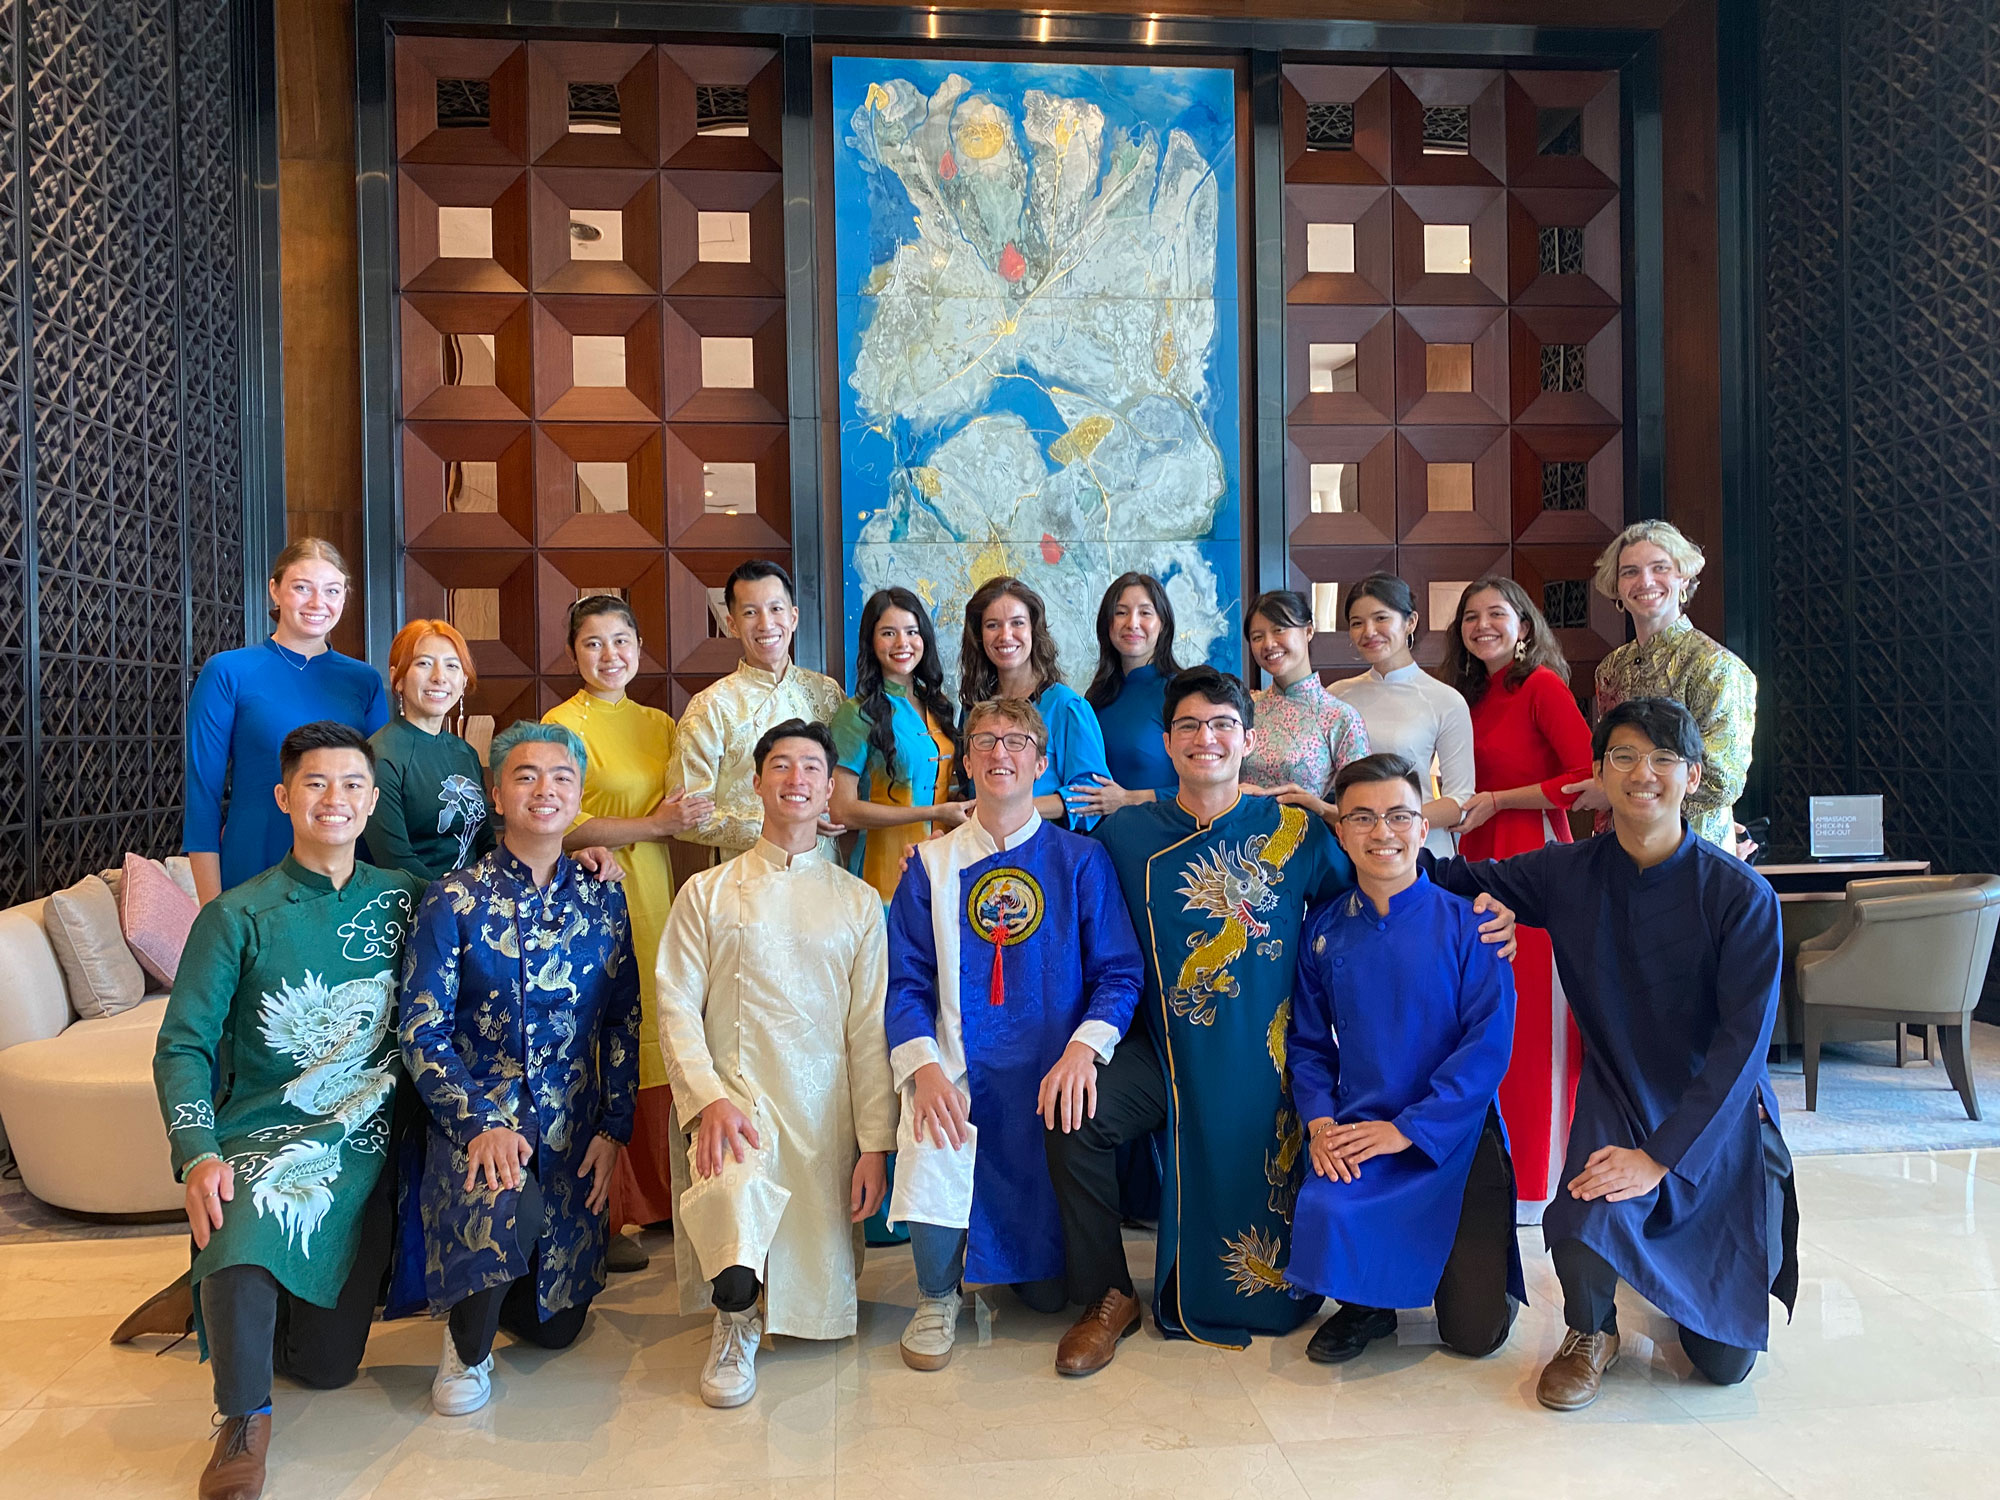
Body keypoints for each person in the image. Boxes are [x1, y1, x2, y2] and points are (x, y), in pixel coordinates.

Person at [1045, 666, 1515, 1371]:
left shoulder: (1292, 831)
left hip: (1264, 1054)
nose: (1206, 739)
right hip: (1164, 1050)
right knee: (1075, 1115)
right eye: (1189, 727)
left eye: (1222, 725)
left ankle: (1324, 1287)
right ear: (1167, 743)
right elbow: (1079, 910)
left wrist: (1475, 899)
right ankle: (1108, 1295)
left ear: (1248, 739)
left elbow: (1378, 871)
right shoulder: (1125, 834)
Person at [1428, 698, 1798, 1407]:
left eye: (1663, 759)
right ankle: (1590, 1329)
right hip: (1618, 1089)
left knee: (1723, 1365)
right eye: (1624, 756)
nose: (1643, 773)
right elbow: (1451, 882)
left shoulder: (1740, 896)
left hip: (1711, 1105)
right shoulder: (1568, 872)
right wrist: (1371, 833)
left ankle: (1683, 1287)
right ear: (1599, 772)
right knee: (1587, 1206)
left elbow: (1740, 1049)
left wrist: (1661, 1157)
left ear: (1692, 777)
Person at [153, 722, 422, 1500]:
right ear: (283, 798)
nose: (332, 799)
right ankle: (241, 1421)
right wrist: (199, 1151)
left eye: (349, 785)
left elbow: (487, 912)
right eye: (314, 784)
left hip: (370, 1131)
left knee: (332, 1370)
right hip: (268, 1127)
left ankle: (223, 1291)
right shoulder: (235, 917)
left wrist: (581, 854)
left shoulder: (404, 898)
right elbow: (184, 1045)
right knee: (250, 1205)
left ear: (371, 802)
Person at [882, 697, 1145, 1374]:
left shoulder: (1081, 860)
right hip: (961, 1065)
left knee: (1047, 1298)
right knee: (929, 1122)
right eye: (986, 742)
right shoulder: (930, 867)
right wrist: (924, 1068)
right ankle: (937, 1293)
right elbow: (905, 982)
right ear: (966, 760)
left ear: (1042, 760)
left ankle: (1032, 1262)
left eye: (1017, 742)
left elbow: (1119, 971)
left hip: (1049, 1068)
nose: (1001, 754)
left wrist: (1085, 1049)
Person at [398, 720, 640, 1417]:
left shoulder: (602, 894)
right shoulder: (454, 899)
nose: (545, 789)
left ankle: (506, 1285)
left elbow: (624, 1017)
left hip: (571, 1129)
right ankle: (464, 1349)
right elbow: (422, 1029)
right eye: (526, 776)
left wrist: (614, 1130)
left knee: (555, 1332)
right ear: (496, 795)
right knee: (502, 1200)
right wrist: (479, 1124)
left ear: (579, 794)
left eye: (561, 777)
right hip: (479, 1124)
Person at [655, 719, 895, 1408]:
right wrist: (706, 1100)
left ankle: (785, 1305)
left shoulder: (856, 902)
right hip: (736, 1100)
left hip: (824, 1109)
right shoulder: (707, 893)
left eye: (811, 768)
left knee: (813, 1263)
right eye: (781, 766)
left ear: (828, 790)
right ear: (756, 783)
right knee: (732, 1192)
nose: (796, 779)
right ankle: (733, 1322)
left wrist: (874, 1143)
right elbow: (675, 1005)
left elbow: (868, 1030)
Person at [1287, 753, 1524, 1366]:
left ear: (1424, 828)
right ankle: (1368, 1307)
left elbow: (1487, 1048)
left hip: (1454, 1136)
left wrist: (1409, 1129)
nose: (1382, 832)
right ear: (1340, 832)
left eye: (1398, 816)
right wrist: (1320, 1121)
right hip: (1363, 1127)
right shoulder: (1323, 931)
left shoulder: (1475, 925)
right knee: (1325, 1202)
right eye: (1362, 818)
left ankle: (1465, 1268)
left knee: (1475, 1337)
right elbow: (1308, 1045)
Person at [545, 595, 711, 1271]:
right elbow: (563, 821)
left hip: (655, 892)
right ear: (573, 652)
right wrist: (652, 827)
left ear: (639, 648)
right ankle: (603, 1212)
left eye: (621, 641)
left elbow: (695, 805)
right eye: (593, 643)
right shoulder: (560, 725)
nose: (609, 655)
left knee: (658, 1028)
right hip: (593, 894)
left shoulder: (661, 724)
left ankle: (664, 1198)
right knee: (602, 1033)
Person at [1440, 577, 1594, 1208]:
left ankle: (1542, 1181)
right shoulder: (1466, 700)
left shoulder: (1542, 688)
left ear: (1525, 625)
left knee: (1534, 1023)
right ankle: (1495, 1179)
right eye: (1470, 617)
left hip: (1533, 857)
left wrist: (1503, 800)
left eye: (1497, 614)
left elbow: (1589, 774)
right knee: (1484, 1018)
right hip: (1474, 858)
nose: (1483, 626)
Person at [183, 539, 389, 904]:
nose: (317, 603)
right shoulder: (228, 672)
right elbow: (203, 798)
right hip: (254, 863)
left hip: (347, 871)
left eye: (331, 590)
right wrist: (211, 912)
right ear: (275, 590)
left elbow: (377, 791)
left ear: (344, 597)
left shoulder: (365, 681)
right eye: (301, 588)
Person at [1576, 521, 1756, 851]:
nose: (1645, 581)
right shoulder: (1611, 669)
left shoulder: (1715, 666)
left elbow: (1722, 779)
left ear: (1683, 579)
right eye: (1630, 572)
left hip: (1693, 853)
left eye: (1660, 568)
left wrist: (1620, 788)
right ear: (1617, 587)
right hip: (1616, 845)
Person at [671, 559, 846, 859]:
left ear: (793, 617)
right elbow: (685, 818)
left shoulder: (827, 693)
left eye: (776, 609)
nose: (766, 624)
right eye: (751, 612)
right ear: (732, 625)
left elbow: (849, 784)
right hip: (742, 882)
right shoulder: (710, 706)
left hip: (823, 872)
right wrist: (785, 821)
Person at [829, 587, 971, 903]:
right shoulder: (856, 714)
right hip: (881, 880)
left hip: (944, 872)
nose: (902, 643)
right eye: (888, 633)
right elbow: (841, 810)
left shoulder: (939, 705)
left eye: (911, 631)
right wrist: (936, 810)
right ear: (870, 642)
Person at [1330, 573, 1474, 855]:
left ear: (1410, 622)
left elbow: (1459, 801)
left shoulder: (1444, 700)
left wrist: (1392, 820)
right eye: (1357, 623)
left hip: (1422, 849)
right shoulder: (1337, 696)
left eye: (1381, 618)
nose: (1368, 631)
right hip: (1353, 848)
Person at [957, 575, 1110, 827]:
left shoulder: (1066, 707)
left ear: (1033, 630)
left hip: (1045, 853)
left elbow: (1092, 797)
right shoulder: (973, 706)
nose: (1005, 636)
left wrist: (1012, 809)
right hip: (983, 852)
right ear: (978, 635)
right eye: (992, 625)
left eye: (1017, 623)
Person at [363, 619, 494, 882]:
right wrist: (451, 903)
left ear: (463, 681)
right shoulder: (379, 755)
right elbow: (395, 859)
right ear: (397, 678)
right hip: (414, 906)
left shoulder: (465, 753)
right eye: (423, 663)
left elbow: (486, 842)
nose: (439, 677)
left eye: (452, 666)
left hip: (477, 906)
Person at [1238, 589, 1370, 823]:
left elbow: (1364, 811)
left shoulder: (1340, 717)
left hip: (1302, 842)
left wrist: (1317, 806)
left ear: (1308, 630)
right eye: (1257, 637)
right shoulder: (1244, 707)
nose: (1268, 644)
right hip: (1235, 841)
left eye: (1279, 630)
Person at [1068, 572, 1184, 816]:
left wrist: (1129, 799)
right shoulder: (1095, 697)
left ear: (1162, 624)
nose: (1132, 623)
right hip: (1100, 842)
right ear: (1107, 625)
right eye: (1121, 612)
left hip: (1163, 838)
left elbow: (1210, 786)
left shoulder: (1181, 694)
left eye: (1145, 613)